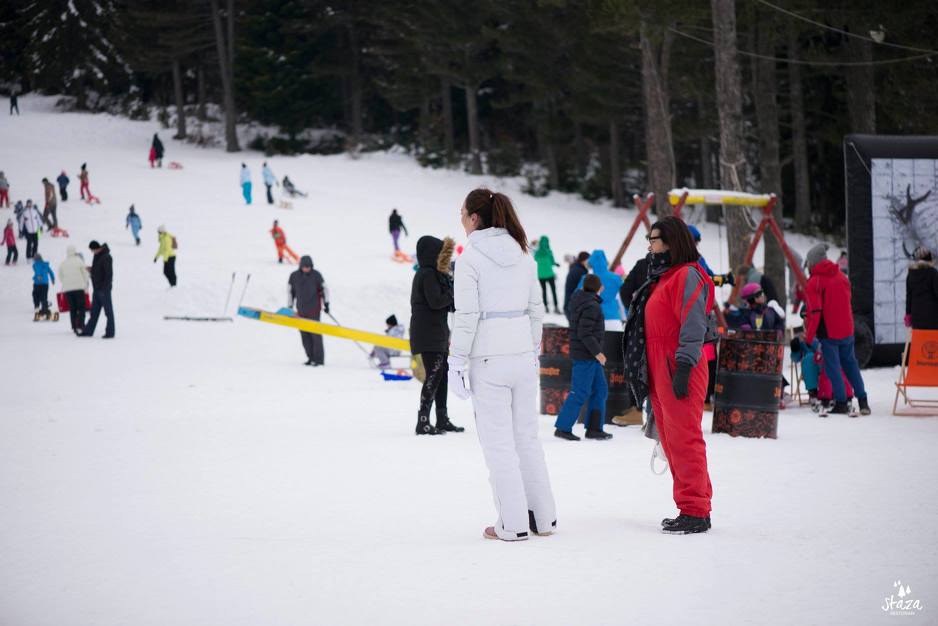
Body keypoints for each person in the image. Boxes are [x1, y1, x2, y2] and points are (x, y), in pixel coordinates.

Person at [450, 188, 556, 542]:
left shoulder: (470, 259)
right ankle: (544, 518)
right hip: (523, 358)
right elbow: (536, 310)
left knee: (498, 444)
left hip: (489, 360)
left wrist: (456, 361)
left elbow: (466, 316)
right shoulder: (523, 254)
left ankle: (512, 523)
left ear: (475, 218)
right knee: (527, 439)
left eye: (462, 214)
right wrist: (532, 348)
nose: (461, 220)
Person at [622, 216, 715, 535]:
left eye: (654, 238)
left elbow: (693, 324)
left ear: (672, 241)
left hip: (679, 364)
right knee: (671, 439)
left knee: (685, 438)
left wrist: (685, 366)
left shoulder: (687, 275)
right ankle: (690, 506)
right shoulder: (662, 277)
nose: (649, 244)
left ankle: (696, 510)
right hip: (659, 365)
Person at [803, 243, 870, 416]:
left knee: (832, 367)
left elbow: (815, 313)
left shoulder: (815, 282)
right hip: (847, 328)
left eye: (808, 263)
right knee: (850, 364)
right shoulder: (841, 276)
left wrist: (809, 337)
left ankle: (841, 402)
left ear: (813, 263)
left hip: (829, 332)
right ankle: (863, 401)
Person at [409, 235, 462, 435]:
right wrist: (452, 291)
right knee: (434, 375)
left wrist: (451, 290)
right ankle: (423, 420)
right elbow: (436, 301)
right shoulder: (426, 274)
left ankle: (442, 418)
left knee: (442, 376)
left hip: (436, 333)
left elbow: (449, 305)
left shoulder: (434, 275)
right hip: (427, 334)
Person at [554, 274, 612, 441]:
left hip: (589, 357)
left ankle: (594, 428)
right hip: (586, 356)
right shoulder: (591, 306)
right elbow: (584, 333)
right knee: (580, 392)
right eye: (601, 285)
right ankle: (563, 428)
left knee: (600, 390)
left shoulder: (584, 301)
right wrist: (598, 353)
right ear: (598, 287)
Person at [287, 255, 330, 366]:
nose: (307, 269)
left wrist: (326, 303)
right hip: (301, 311)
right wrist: (290, 306)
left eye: (309, 267)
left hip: (314, 310)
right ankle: (310, 358)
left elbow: (325, 289)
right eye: (305, 267)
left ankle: (319, 360)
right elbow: (290, 292)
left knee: (315, 336)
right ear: (300, 266)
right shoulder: (294, 276)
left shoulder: (316, 275)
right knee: (304, 336)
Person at [80, 241, 115, 338]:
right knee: (94, 312)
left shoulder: (107, 257)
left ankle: (110, 333)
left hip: (104, 290)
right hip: (96, 289)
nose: (92, 252)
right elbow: (98, 271)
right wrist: (91, 269)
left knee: (108, 312)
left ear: (97, 248)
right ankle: (88, 331)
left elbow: (108, 275)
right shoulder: (97, 256)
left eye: (92, 250)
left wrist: (104, 288)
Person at [581, 249, 623, 330]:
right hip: (613, 318)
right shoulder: (616, 278)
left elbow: (577, 299)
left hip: (592, 318)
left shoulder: (586, 279)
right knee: (613, 342)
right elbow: (624, 297)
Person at [59, 245, 90, 333]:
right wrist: (85, 283)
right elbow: (85, 273)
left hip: (68, 290)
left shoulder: (63, 263)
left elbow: (60, 275)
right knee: (81, 307)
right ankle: (80, 325)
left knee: (72, 308)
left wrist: (65, 283)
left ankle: (74, 326)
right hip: (79, 287)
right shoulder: (79, 261)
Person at [905, 246, 938, 330]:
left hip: (916, 316)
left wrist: (908, 315)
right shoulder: (933, 273)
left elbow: (909, 297)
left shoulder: (910, 274)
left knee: (921, 341)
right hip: (932, 315)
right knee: (932, 342)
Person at [534, 235, 561, 314]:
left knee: (544, 291)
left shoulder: (537, 253)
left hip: (541, 275)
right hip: (549, 275)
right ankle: (556, 307)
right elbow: (552, 262)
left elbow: (534, 262)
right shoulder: (549, 251)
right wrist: (556, 264)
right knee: (553, 291)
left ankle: (546, 307)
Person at [563, 251, 590, 321]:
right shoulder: (580, 271)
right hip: (573, 307)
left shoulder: (577, 268)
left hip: (570, 306)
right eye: (588, 260)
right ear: (583, 260)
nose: (590, 263)